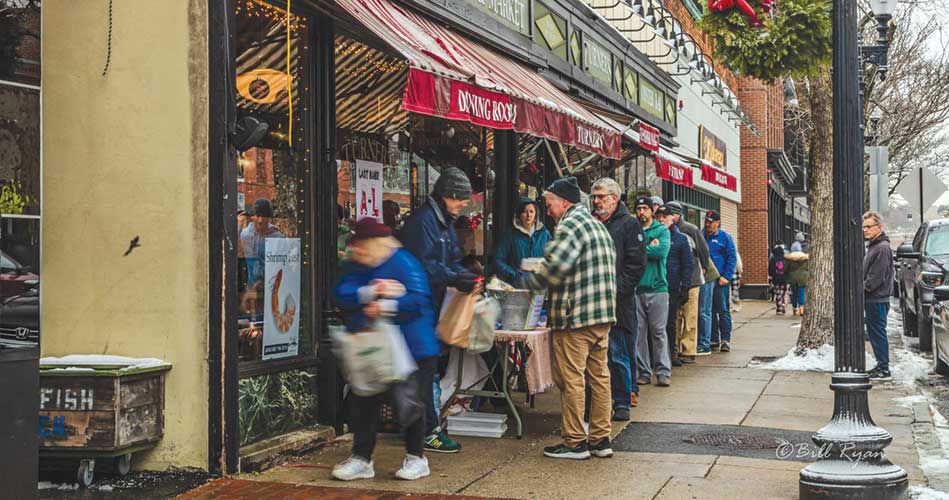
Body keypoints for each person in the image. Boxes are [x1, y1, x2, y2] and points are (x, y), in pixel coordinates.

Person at [332, 219, 439, 481]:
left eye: (362, 248)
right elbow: (341, 292)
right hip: (371, 346)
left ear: (376, 244)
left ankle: (417, 457)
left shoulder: (404, 262)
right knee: (363, 401)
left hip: (411, 349)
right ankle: (361, 458)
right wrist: (372, 292)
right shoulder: (358, 263)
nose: (358, 253)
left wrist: (385, 307)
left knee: (409, 403)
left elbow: (418, 300)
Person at [523, 176, 617, 460]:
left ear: (564, 202)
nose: (547, 208)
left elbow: (555, 268)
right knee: (599, 377)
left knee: (572, 378)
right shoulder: (596, 226)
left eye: (549, 202)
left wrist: (527, 286)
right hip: (601, 315)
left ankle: (575, 441)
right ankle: (601, 439)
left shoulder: (570, 226)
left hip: (576, 317)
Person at [399, 166, 478, 454]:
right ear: (447, 195)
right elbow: (423, 267)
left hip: (432, 309)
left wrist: (465, 276)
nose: (464, 204)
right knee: (424, 373)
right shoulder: (423, 223)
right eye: (461, 198)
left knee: (426, 372)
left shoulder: (443, 222)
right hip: (416, 311)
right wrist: (456, 277)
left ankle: (422, 429)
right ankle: (425, 432)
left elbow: (451, 259)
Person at [591, 178, 645, 420]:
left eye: (601, 197)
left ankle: (622, 400)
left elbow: (635, 267)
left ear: (615, 198)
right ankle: (598, 402)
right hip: (592, 303)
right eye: (594, 197)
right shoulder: (592, 223)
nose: (597, 201)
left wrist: (612, 292)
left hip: (617, 304)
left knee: (618, 353)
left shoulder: (629, 225)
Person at [632, 196, 672, 387]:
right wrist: (648, 247)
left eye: (645, 208)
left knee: (658, 332)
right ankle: (644, 371)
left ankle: (663, 371)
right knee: (639, 333)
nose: (642, 212)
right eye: (639, 209)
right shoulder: (633, 230)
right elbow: (629, 253)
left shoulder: (662, 230)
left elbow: (662, 252)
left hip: (658, 288)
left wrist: (640, 249)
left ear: (651, 211)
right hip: (637, 289)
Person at [666, 202, 708, 362]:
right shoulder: (665, 231)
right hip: (675, 281)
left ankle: (689, 349)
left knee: (690, 316)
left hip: (692, 279)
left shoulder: (691, 229)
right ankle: (674, 347)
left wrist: (704, 267)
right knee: (675, 317)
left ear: (678, 215)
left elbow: (704, 250)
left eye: (671, 214)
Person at [656, 206, 692, 367]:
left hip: (672, 287)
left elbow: (687, 265)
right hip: (655, 286)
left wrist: (685, 287)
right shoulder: (651, 235)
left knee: (671, 322)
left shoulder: (681, 239)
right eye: (659, 217)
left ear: (672, 218)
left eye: (665, 216)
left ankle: (672, 352)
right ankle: (656, 355)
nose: (662, 219)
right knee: (656, 324)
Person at [493, 197, 552, 286]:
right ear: (519, 215)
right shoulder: (510, 235)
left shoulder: (544, 234)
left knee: (539, 300)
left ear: (536, 214)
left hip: (540, 286)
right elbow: (498, 260)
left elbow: (552, 259)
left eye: (531, 211)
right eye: (525, 212)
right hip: (518, 287)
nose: (529, 215)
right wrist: (514, 274)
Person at [863, 211, 894, 381]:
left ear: (879, 227)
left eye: (869, 226)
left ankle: (884, 368)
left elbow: (875, 279)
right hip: (873, 299)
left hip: (877, 299)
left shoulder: (881, 248)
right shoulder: (874, 247)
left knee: (878, 333)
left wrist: (859, 288)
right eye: (864, 227)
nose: (865, 230)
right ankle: (881, 365)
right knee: (875, 333)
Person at [704, 210, 737, 352]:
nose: (707, 224)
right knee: (709, 310)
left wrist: (726, 276)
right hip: (706, 280)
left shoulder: (725, 237)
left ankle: (725, 339)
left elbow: (732, 257)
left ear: (718, 223)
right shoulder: (701, 235)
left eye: (710, 222)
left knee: (723, 310)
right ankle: (713, 338)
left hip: (720, 280)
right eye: (706, 221)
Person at [240, 198, 285, 292]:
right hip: (250, 288)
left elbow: (282, 265)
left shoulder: (278, 238)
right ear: (252, 216)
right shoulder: (244, 235)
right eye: (258, 215)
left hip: (271, 288)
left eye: (264, 216)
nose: (260, 220)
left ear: (269, 218)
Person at [786, 249, 810, 316]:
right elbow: (808, 268)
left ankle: (794, 308)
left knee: (793, 294)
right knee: (802, 293)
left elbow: (786, 269)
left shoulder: (789, 259)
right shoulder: (805, 259)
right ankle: (801, 308)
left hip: (793, 279)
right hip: (803, 278)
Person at [768, 244, 788, 315]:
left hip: (775, 279)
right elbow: (787, 269)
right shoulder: (785, 258)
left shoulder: (772, 259)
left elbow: (770, 269)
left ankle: (779, 308)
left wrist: (771, 277)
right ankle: (782, 306)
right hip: (784, 279)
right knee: (782, 293)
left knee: (777, 293)